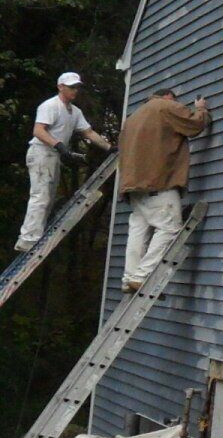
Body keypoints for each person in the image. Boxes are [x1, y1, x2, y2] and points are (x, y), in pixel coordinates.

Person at [116, 88, 210, 292]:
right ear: (169, 97)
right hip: (158, 183)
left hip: (134, 187)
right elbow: (194, 125)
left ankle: (129, 277)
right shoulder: (166, 106)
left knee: (138, 232)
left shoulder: (132, 118)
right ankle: (142, 276)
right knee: (169, 228)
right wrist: (201, 110)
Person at [14, 71, 113, 253]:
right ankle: (28, 239)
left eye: (77, 87)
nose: (75, 91)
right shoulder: (50, 105)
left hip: (53, 155)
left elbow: (89, 133)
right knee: (41, 195)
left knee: (49, 197)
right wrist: (59, 145)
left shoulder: (75, 112)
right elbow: (38, 131)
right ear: (61, 87)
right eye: (71, 87)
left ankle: (34, 235)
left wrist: (108, 147)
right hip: (41, 152)